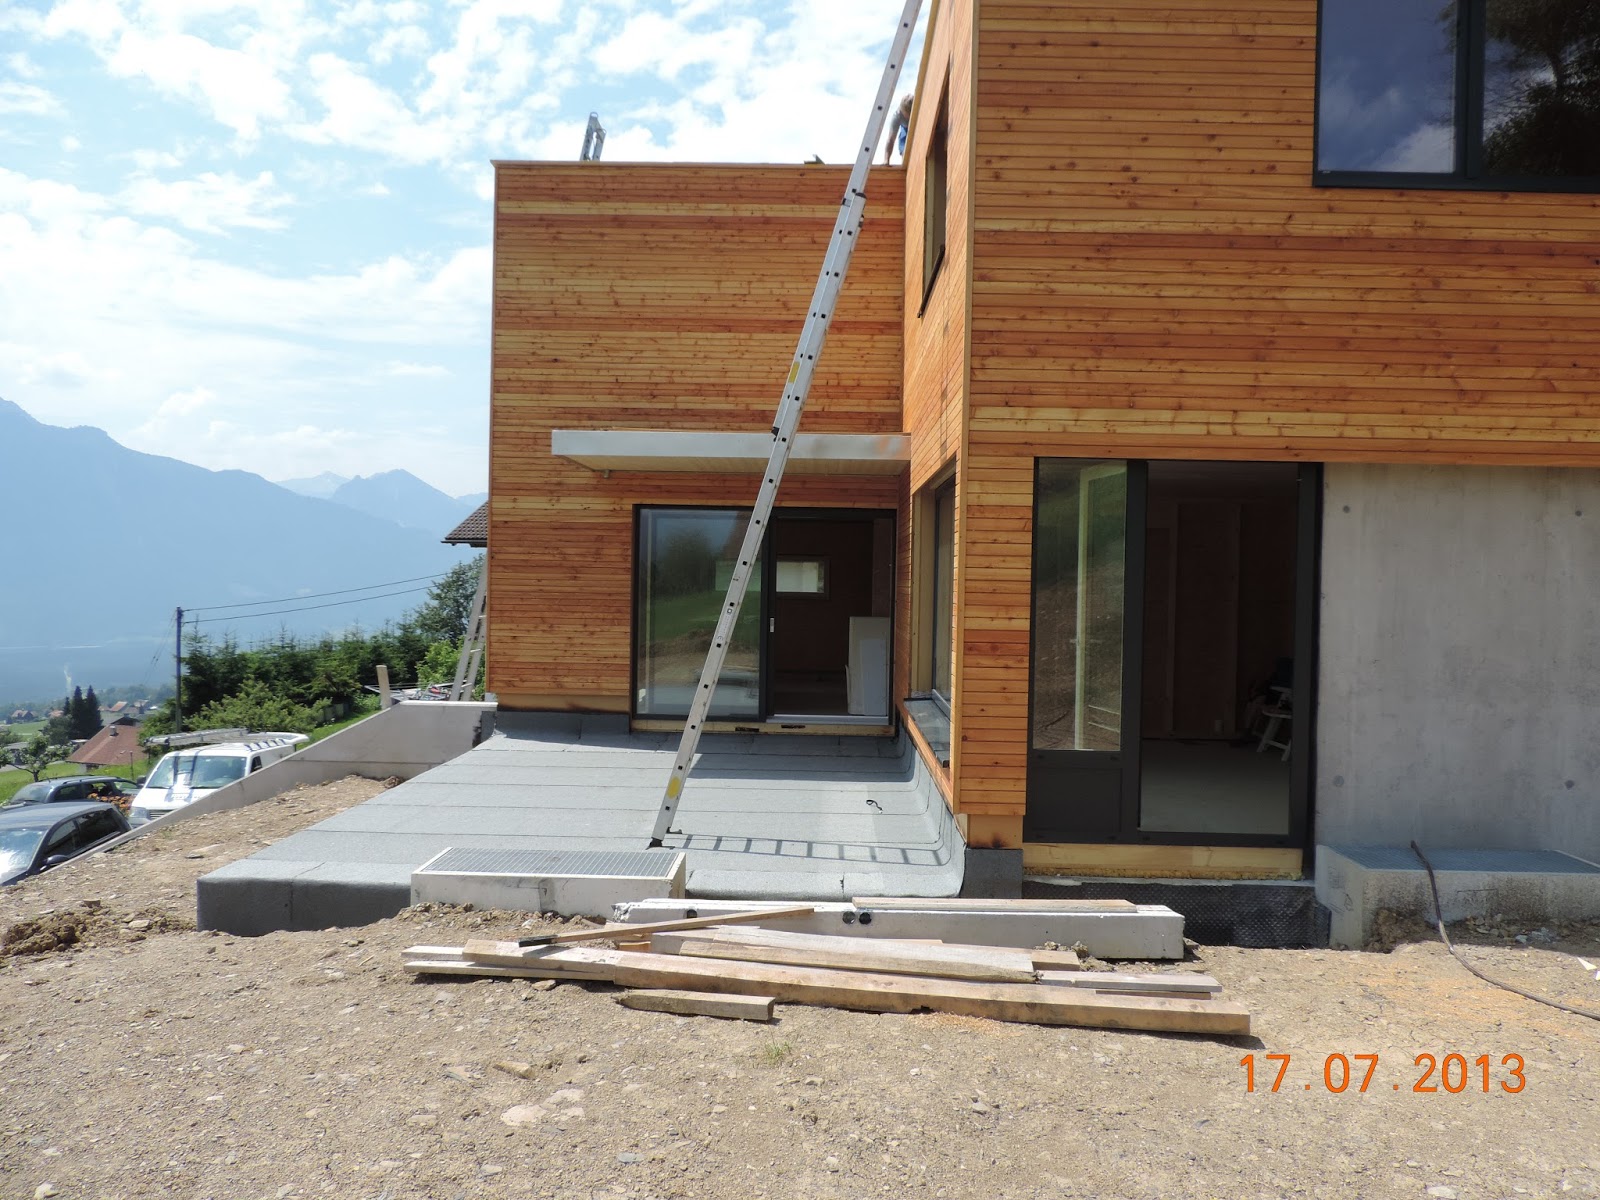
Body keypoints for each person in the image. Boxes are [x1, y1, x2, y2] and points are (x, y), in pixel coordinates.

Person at [883, 94, 913, 164]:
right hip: (906, 129)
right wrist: (886, 160)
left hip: (919, 125)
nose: (909, 117)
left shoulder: (919, 106)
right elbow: (891, 139)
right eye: (908, 114)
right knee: (904, 150)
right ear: (903, 111)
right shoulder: (897, 116)